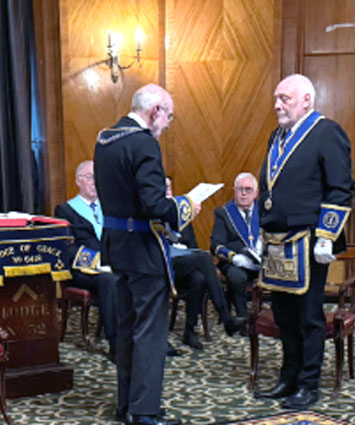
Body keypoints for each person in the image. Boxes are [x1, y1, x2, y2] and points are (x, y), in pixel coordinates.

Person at [94, 83, 196, 425]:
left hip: (115, 247)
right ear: (156, 111)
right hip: (142, 249)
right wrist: (185, 206)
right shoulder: (144, 144)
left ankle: (127, 406)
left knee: (127, 330)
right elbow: (154, 205)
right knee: (150, 335)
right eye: (169, 117)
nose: (167, 125)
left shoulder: (104, 139)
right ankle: (144, 412)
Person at [252, 74, 354, 410]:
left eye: (285, 98)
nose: (278, 105)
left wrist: (327, 235)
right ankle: (288, 378)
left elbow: (340, 189)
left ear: (307, 100)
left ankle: (309, 386)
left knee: (308, 317)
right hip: (276, 243)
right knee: (283, 315)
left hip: (309, 243)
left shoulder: (327, 132)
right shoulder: (276, 136)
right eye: (276, 98)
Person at [163, 176, 243, 350]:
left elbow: (193, 246)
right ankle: (226, 318)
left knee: (198, 278)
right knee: (204, 259)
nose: (167, 192)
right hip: (161, 266)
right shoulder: (156, 213)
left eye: (169, 188)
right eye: (164, 188)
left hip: (181, 267)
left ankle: (189, 330)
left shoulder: (181, 216)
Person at [54, 160, 120, 357]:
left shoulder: (109, 208)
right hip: (82, 271)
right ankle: (116, 344)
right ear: (78, 181)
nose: (96, 182)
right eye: (91, 177)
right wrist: (98, 263)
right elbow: (68, 249)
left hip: (113, 265)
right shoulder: (65, 210)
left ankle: (145, 339)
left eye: (98, 177)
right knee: (109, 281)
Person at [211, 172, 262, 326]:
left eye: (248, 189)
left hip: (261, 260)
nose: (244, 194)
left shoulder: (264, 211)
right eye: (240, 189)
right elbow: (216, 245)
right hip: (235, 262)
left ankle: (275, 318)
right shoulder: (223, 213)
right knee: (236, 277)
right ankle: (242, 318)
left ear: (256, 192)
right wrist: (234, 257)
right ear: (234, 191)